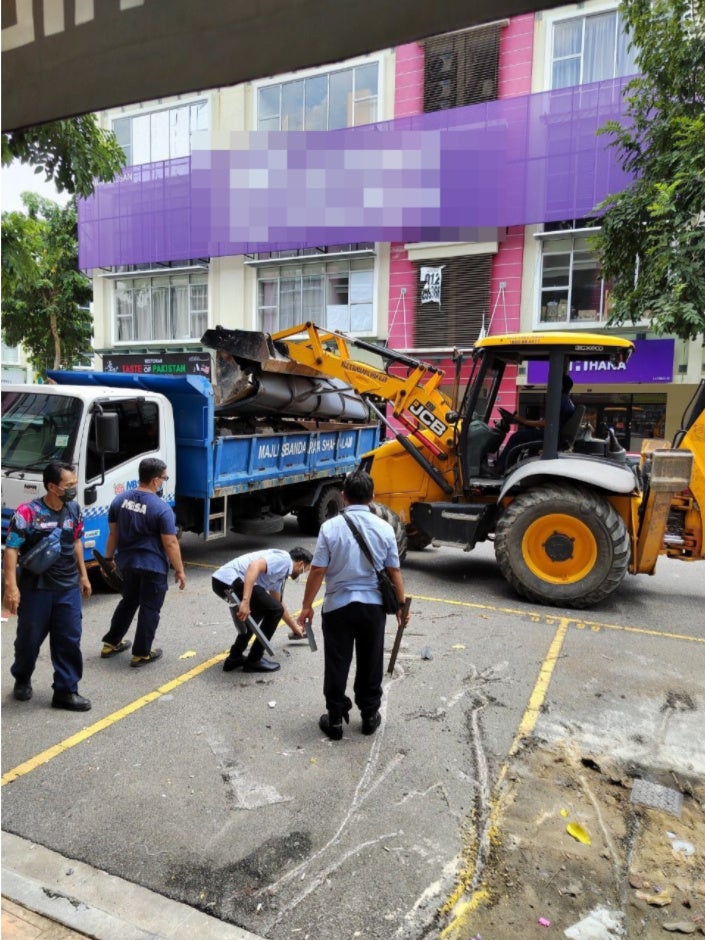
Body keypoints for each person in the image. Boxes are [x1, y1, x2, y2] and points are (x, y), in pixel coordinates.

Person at [297, 470, 409, 740]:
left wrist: (306, 605)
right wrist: (402, 607)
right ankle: (370, 715)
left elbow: (317, 571)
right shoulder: (384, 528)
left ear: (344, 496)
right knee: (371, 661)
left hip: (338, 607)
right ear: (372, 497)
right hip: (373, 607)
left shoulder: (330, 527)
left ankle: (335, 719)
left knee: (337, 662)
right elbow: (394, 572)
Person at [4, 461, 93, 711]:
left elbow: (76, 541)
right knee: (28, 640)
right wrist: (11, 587)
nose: (74, 488)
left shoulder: (74, 509)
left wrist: (83, 576)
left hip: (67, 587)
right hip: (36, 588)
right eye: (69, 485)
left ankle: (65, 691)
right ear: (52, 486)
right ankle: (22, 677)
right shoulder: (27, 512)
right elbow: (11, 549)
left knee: (69, 640)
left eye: (75, 483)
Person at [100, 457, 186, 666]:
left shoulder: (119, 501)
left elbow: (113, 534)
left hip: (127, 564)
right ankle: (141, 653)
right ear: (155, 480)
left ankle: (110, 643)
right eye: (164, 478)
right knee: (150, 608)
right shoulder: (161, 508)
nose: (163, 482)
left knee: (128, 601)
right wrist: (180, 570)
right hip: (152, 566)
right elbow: (171, 543)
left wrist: (108, 559)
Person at [212, 547, 313, 673]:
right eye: (303, 571)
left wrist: (295, 628)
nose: (301, 574)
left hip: (221, 580)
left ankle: (234, 657)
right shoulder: (284, 560)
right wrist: (246, 601)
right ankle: (254, 660)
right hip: (228, 579)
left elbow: (278, 604)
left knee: (267, 609)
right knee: (273, 610)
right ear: (301, 564)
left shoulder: (281, 575)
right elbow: (253, 567)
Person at [495, 374, 576, 473]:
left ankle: (500, 468)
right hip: (554, 435)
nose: (548, 386)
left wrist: (524, 421)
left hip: (550, 436)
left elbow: (546, 423)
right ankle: (507, 466)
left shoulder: (559, 400)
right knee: (523, 434)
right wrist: (523, 421)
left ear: (561, 386)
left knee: (516, 437)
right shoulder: (566, 400)